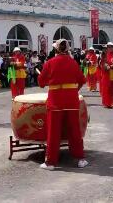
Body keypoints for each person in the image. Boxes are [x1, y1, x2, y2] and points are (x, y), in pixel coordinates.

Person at [37, 38, 88, 170]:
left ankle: (51, 162)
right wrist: (73, 90)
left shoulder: (50, 63)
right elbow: (82, 80)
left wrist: (47, 80)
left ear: (56, 49)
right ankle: (80, 159)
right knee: (74, 130)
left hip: (55, 100)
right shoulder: (73, 63)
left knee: (53, 132)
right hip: (71, 100)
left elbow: (41, 82)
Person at [100, 42, 113, 109]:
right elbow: (102, 64)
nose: (109, 48)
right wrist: (105, 66)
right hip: (107, 75)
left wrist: (111, 66)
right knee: (108, 90)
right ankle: (108, 103)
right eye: (108, 47)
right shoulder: (105, 55)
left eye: (111, 47)